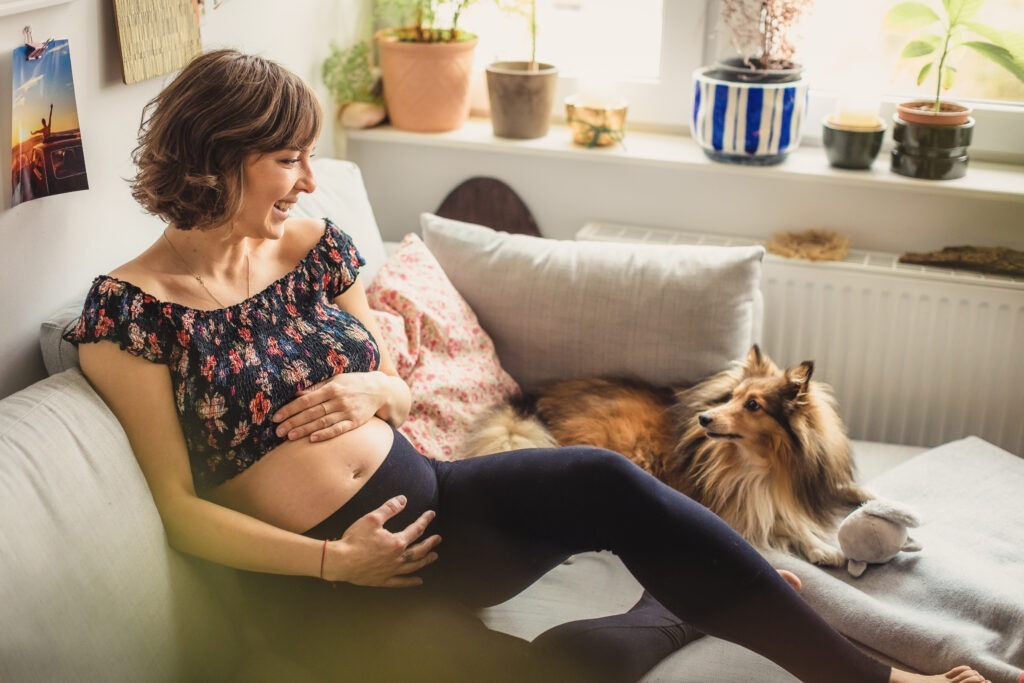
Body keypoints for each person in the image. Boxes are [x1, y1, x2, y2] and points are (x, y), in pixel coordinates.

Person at [65, 49, 990, 683]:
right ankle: (674, 614)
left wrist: (377, 385)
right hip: (331, 585)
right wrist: (333, 562)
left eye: (309, 158)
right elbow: (182, 511)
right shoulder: (130, 314)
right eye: (287, 159)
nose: (308, 180)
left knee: (597, 475)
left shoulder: (310, 243)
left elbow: (385, 366)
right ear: (218, 159)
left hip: (436, 500)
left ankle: (872, 675)